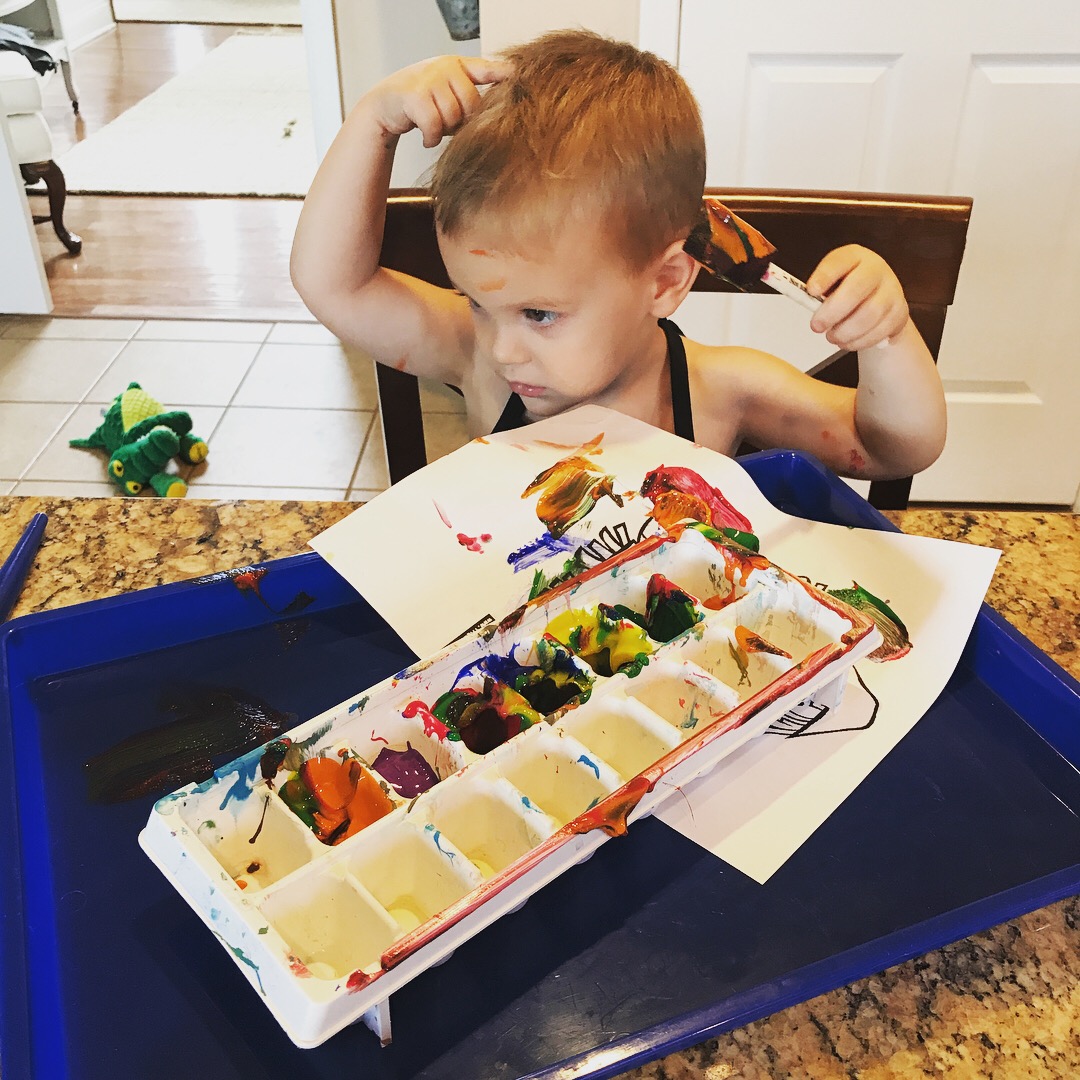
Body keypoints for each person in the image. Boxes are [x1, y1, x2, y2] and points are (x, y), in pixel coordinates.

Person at [291, 30, 946, 481]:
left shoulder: (721, 392)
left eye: (540, 314)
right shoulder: (475, 357)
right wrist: (373, 121)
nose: (503, 348)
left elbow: (891, 449)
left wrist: (885, 336)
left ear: (664, 282)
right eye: (479, 303)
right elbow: (334, 287)